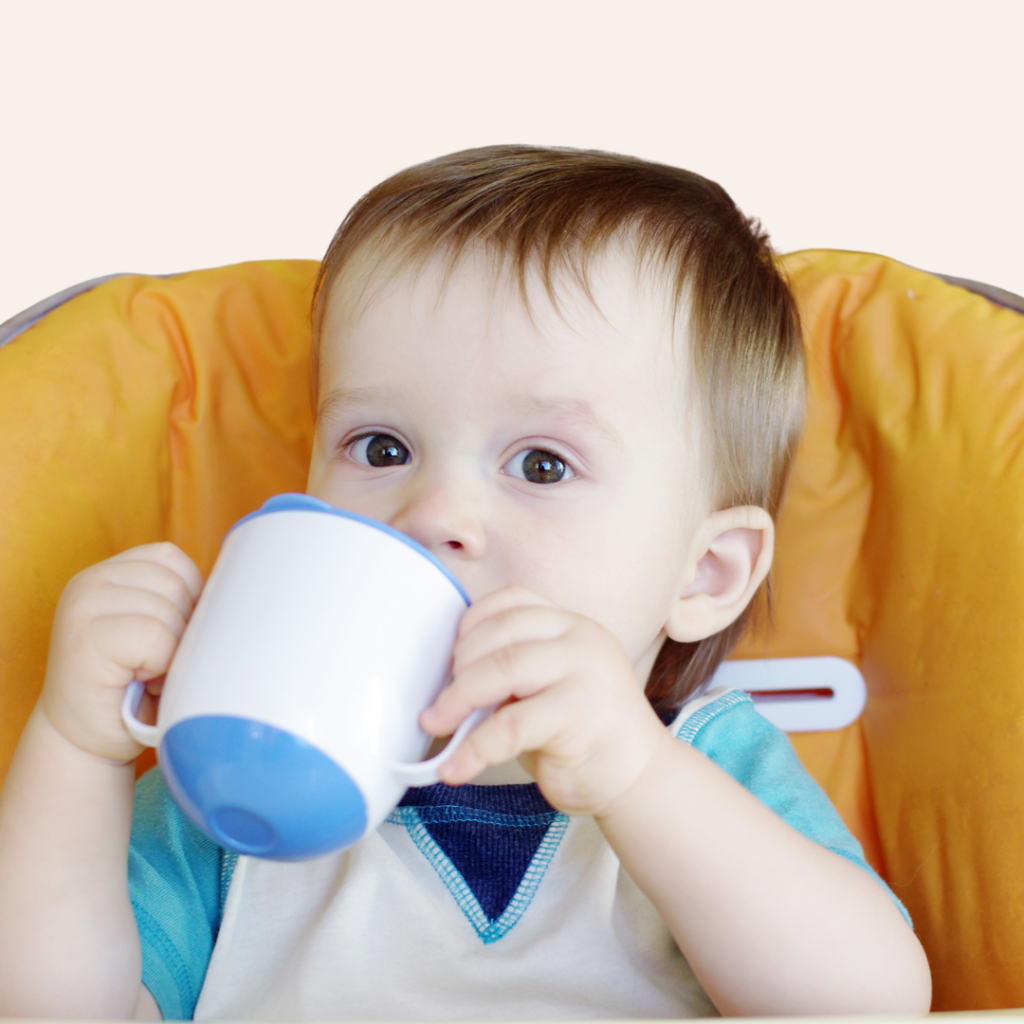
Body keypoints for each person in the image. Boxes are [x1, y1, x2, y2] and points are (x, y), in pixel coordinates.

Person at [0, 146, 932, 1019]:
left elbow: (870, 1004)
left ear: (704, 572)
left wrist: (635, 774)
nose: (433, 509)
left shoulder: (707, 772)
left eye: (541, 466)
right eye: (382, 447)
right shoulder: (232, 765)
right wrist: (76, 752)